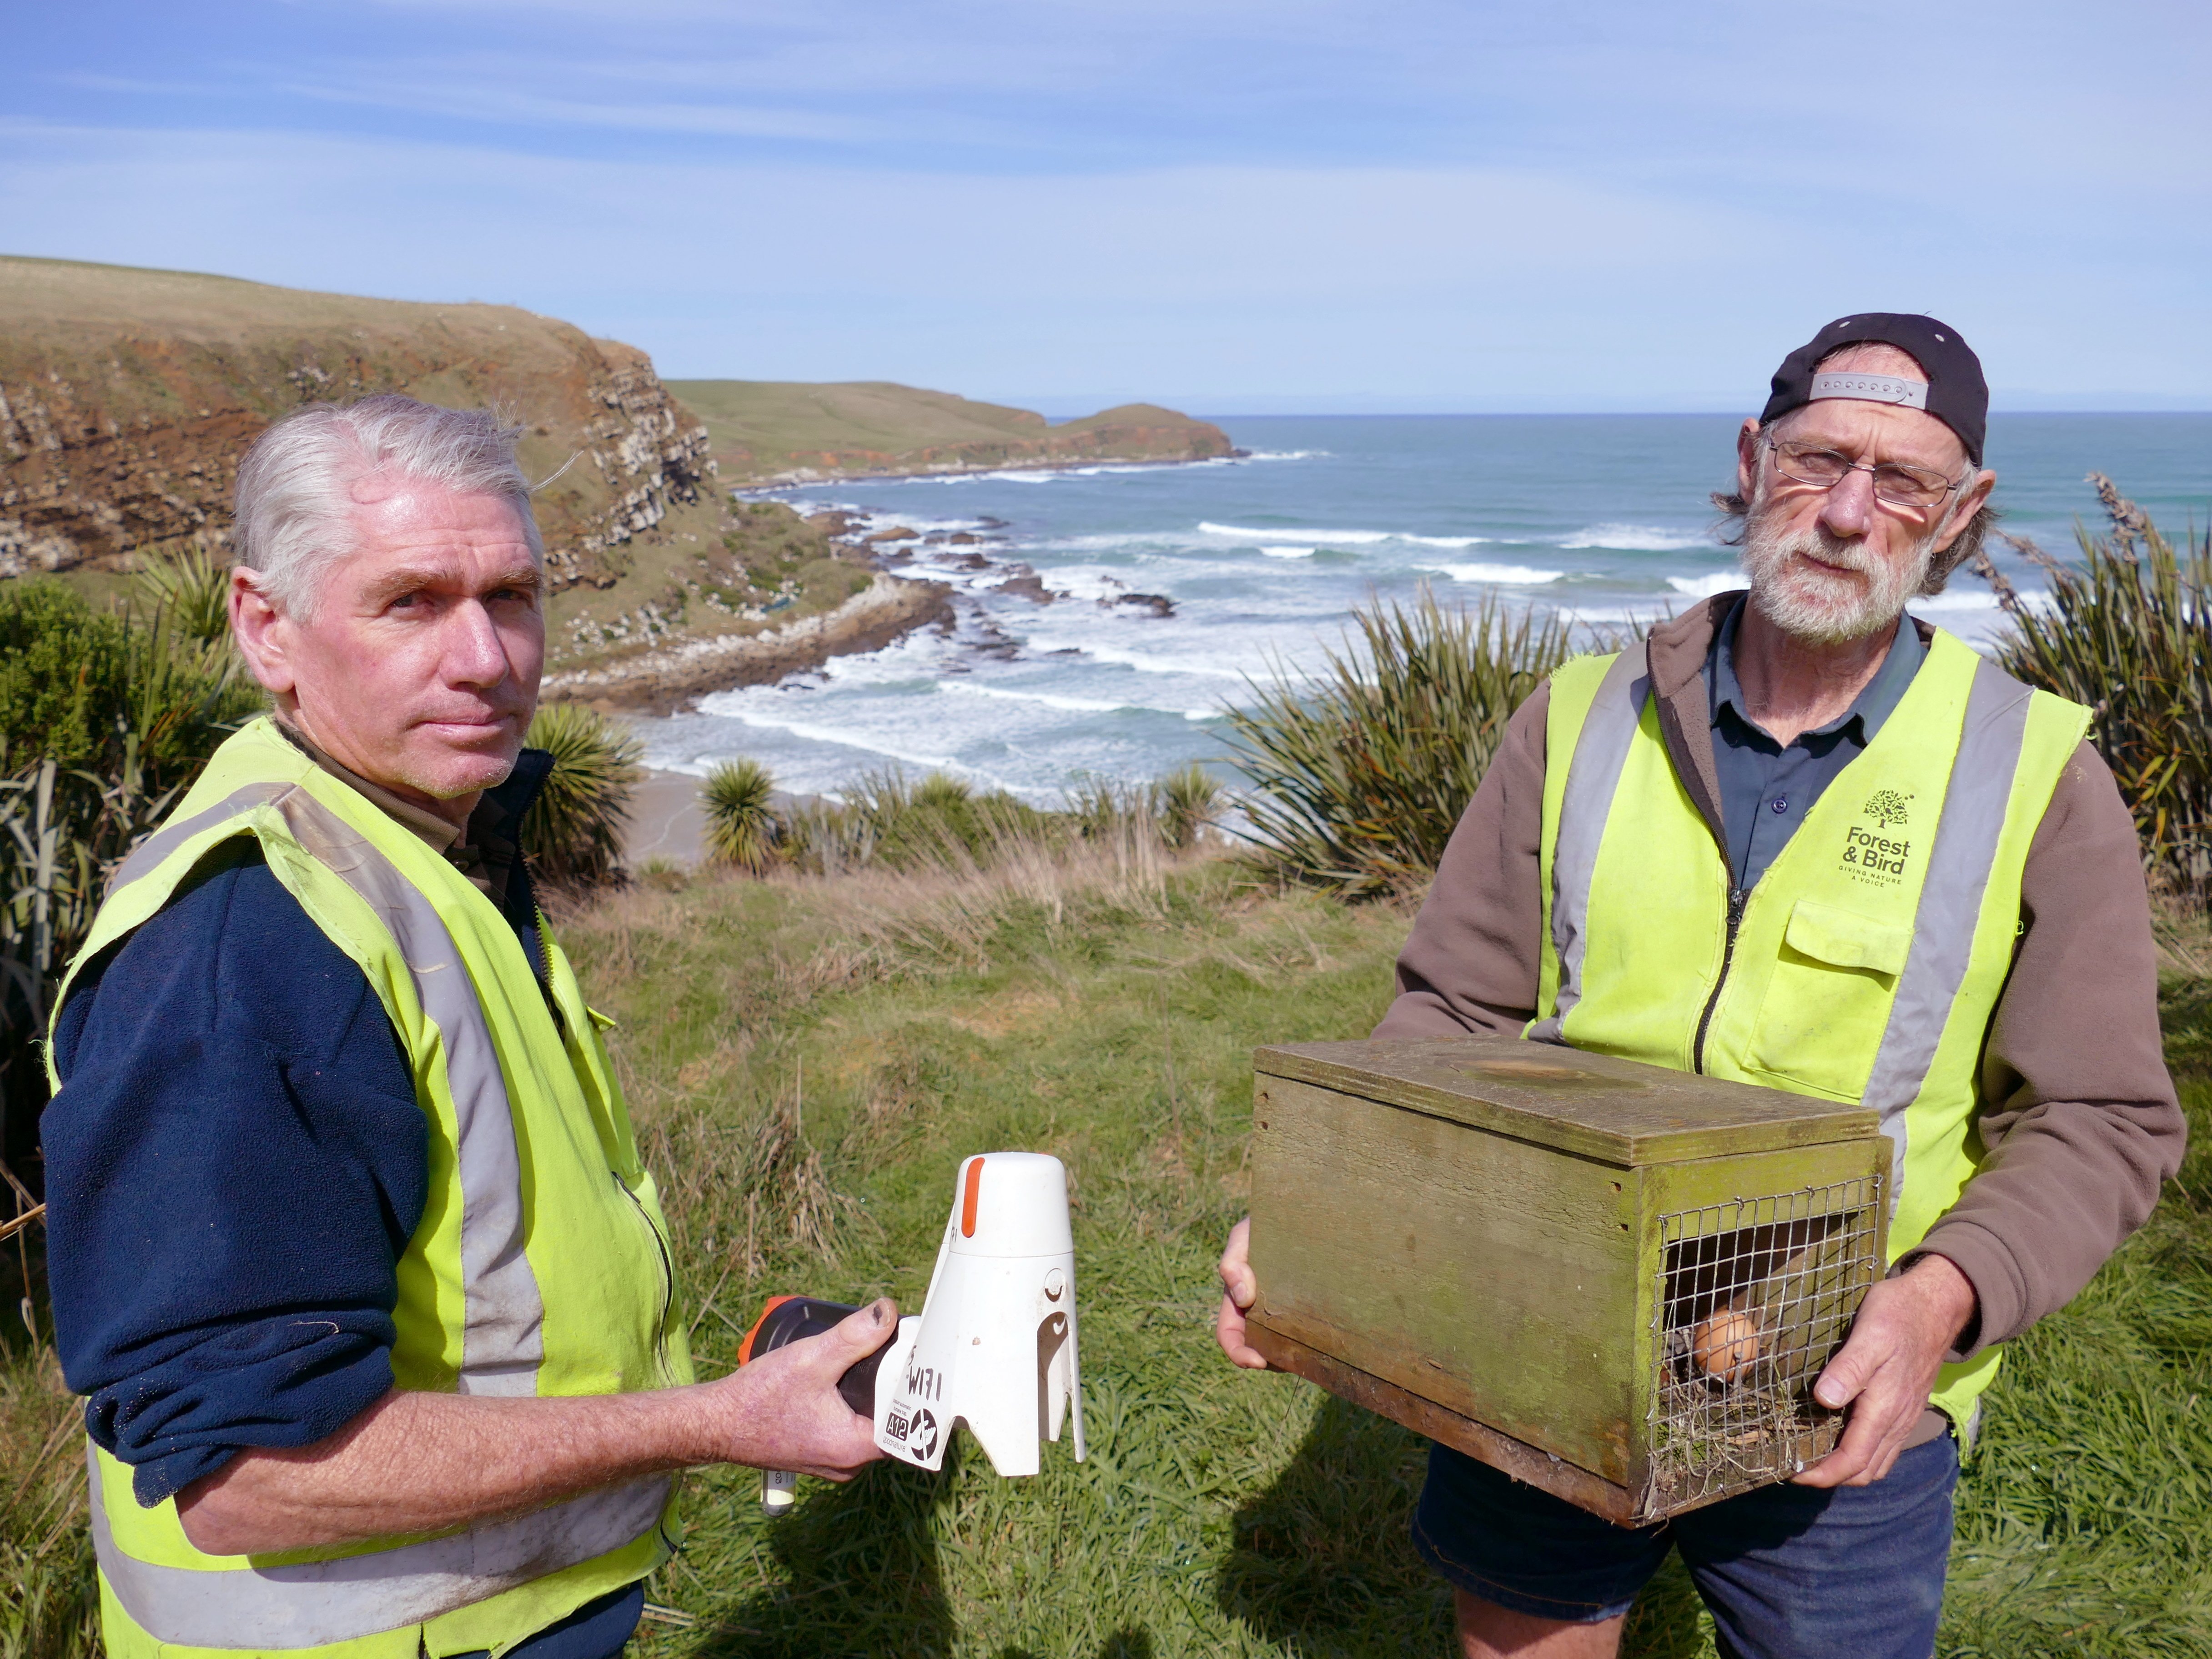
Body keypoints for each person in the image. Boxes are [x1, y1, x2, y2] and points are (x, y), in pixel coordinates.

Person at [1215, 314, 2185, 1659]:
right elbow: (1449, 1016)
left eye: (1901, 481)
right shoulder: (1571, 716)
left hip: (1849, 1370)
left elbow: (2102, 1119)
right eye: (1817, 460)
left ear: (1960, 514)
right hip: (1534, 1326)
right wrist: (1339, 1221)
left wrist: (1941, 1299)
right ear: (1752, 458)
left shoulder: (2038, 771)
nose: (1848, 514)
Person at [41, 396, 890, 1659]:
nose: (487, 659)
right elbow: (250, 1472)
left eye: (513, 597)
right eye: (412, 603)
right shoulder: (249, 948)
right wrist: (719, 1420)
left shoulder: (422, 842)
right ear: (266, 628)